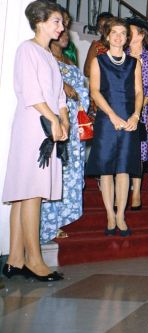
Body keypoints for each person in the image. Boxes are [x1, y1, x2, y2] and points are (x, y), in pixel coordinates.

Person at [2, 0, 68, 282]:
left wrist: (63, 118)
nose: (61, 27)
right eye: (56, 21)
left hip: (48, 125)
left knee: (26, 193)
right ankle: (34, 260)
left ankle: (14, 259)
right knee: (30, 192)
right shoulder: (27, 50)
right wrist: (53, 119)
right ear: (40, 21)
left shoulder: (49, 55)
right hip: (34, 125)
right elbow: (31, 92)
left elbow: (60, 97)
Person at [86, 17, 143, 237]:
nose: (118, 36)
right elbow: (95, 92)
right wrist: (112, 116)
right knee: (106, 170)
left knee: (123, 170)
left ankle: (121, 215)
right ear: (107, 36)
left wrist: (136, 116)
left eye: (122, 33)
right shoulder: (98, 61)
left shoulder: (133, 63)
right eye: (114, 33)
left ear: (127, 38)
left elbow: (139, 92)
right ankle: (110, 214)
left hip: (129, 120)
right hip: (107, 120)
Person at [40, 26, 89, 242]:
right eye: (60, 31)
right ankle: (47, 226)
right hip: (57, 124)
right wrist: (63, 85)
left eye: (67, 31)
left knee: (69, 175)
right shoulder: (45, 59)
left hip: (75, 128)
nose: (65, 34)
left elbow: (81, 93)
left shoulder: (70, 62)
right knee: (55, 173)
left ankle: (59, 220)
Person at [126, 17, 148, 210]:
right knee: (122, 149)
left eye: (130, 32)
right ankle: (120, 191)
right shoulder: (122, 53)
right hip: (122, 106)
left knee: (138, 150)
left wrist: (139, 108)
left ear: (141, 34)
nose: (127, 35)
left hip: (144, 108)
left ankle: (136, 192)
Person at [83, 12, 113, 77]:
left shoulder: (121, 45)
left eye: (105, 26)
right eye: (99, 27)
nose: (102, 30)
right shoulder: (96, 45)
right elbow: (87, 72)